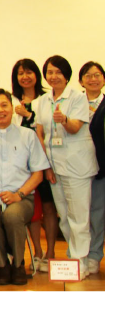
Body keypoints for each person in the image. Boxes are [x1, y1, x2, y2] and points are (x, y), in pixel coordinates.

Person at [0, 89, 50, 285]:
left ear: (12, 108)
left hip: (21, 197)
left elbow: (38, 174)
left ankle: (18, 264)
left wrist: (19, 195)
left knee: (13, 215)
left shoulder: (27, 135)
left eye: (4, 105)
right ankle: (2, 264)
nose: (0, 110)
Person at [34, 55, 98, 279]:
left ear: (67, 75)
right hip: (54, 166)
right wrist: (46, 166)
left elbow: (75, 127)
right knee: (64, 215)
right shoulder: (42, 100)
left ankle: (81, 260)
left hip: (77, 165)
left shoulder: (78, 97)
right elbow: (40, 133)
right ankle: (74, 256)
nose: (53, 76)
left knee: (79, 216)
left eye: (58, 72)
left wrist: (64, 120)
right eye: (49, 72)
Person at [12, 58, 57, 269]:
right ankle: (37, 252)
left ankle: (51, 252)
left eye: (29, 72)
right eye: (21, 73)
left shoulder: (47, 99)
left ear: (37, 75)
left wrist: (28, 115)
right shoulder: (12, 100)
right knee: (32, 209)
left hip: (45, 161)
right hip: (22, 164)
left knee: (48, 207)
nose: (25, 77)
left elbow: (49, 129)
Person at [80, 61, 105, 275]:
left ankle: (94, 255)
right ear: (81, 81)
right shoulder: (73, 103)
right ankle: (79, 254)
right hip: (76, 167)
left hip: (101, 167)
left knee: (97, 213)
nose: (93, 79)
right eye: (88, 75)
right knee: (78, 214)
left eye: (97, 75)